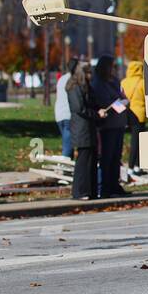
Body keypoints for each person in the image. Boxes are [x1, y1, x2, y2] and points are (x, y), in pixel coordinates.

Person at [91, 56, 129, 197]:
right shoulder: (98, 83)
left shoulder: (114, 81)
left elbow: (122, 97)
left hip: (119, 124)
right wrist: (121, 102)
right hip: (108, 126)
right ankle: (104, 187)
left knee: (115, 158)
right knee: (107, 158)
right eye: (112, 67)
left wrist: (121, 101)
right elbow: (106, 103)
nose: (114, 70)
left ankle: (114, 185)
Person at [66, 62, 99, 199]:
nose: (90, 75)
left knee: (91, 160)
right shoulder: (74, 87)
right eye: (88, 72)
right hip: (81, 127)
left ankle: (90, 190)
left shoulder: (85, 87)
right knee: (83, 160)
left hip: (88, 126)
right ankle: (80, 191)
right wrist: (96, 114)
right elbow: (79, 108)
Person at [121, 59, 147, 175]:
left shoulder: (124, 82)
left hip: (127, 114)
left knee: (133, 141)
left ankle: (132, 166)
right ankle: (135, 166)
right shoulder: (142, 82)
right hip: (140, 115)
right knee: (139, 142)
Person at [54, 58, 79, 159]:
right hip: (69, 114)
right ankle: (65, 164)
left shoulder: (62, 79)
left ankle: (68, 165)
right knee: (68, 144)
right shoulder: (74, 80)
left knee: (68, 141)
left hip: (59, 114)